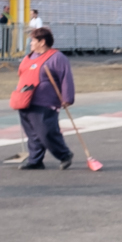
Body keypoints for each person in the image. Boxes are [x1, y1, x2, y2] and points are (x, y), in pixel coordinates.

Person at [14, 27, 74, 170]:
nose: (30, 43)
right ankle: (35, 160)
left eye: (33, 40)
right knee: (32, 133)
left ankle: (64, 154)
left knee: (46, 132)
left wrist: (67, 98)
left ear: (42, 42)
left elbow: (66, 78)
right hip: (25, 99)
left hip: (45, 102)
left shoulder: (56, 57)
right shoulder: (28, 57)